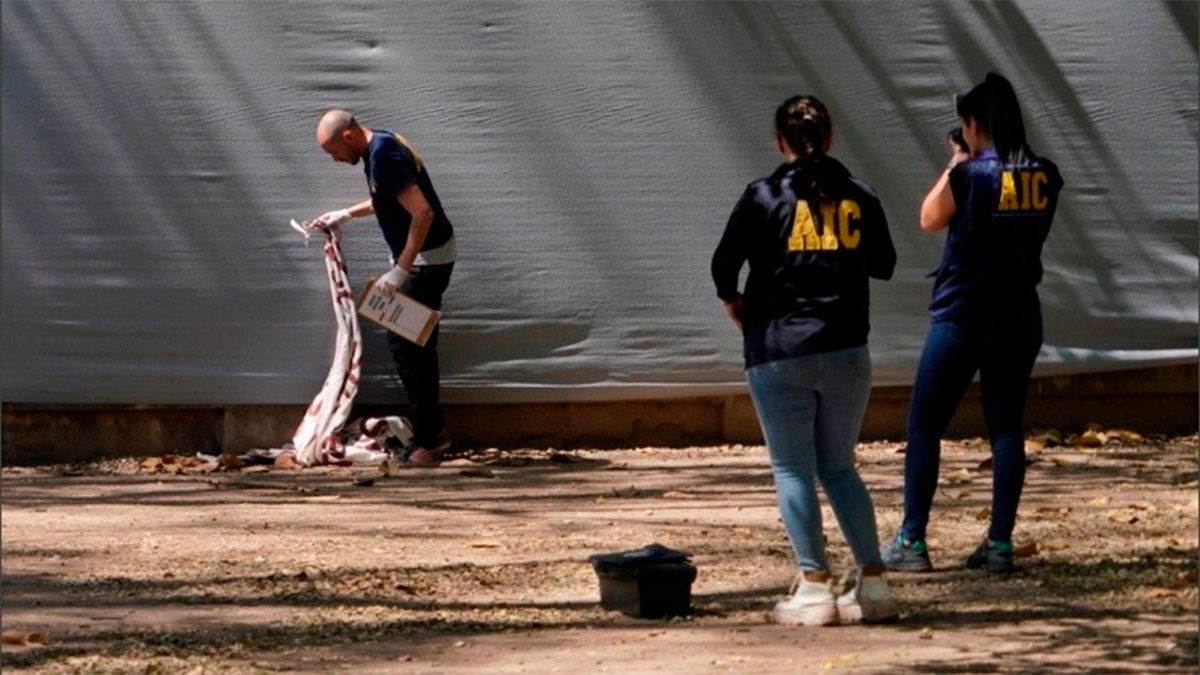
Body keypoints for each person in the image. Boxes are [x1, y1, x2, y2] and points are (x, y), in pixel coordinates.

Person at [711, 95, 898, 626]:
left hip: (778, 349)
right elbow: (884, 263)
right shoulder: (859, 194)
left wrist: (735, 302)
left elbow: (723, 264)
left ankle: (814, 586)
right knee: (839, 466)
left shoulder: (764, 195)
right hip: (847, 349)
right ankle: (874, 582)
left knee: (792, 467)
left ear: (780, 142)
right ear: (831, 139)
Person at [882, 73, 1063, 574]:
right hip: (1019, 313)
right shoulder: (1045, 175)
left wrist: (956, 163)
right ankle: (999, 544)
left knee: (924, 425)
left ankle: (912, 541)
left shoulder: (970, 175)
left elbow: (929, 218)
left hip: (963, 313)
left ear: (974, 125)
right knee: (1005, 427)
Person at [304, 109, 457, 464]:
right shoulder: (379, 147)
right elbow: (387, 197)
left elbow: (422, 213)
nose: (335, 160)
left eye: (334, 152)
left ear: (348, 136)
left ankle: (430, 440)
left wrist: (401, 271)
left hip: (426, 263)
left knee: (410, 348)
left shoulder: (384, 153)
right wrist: (345, 214)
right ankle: (430, 433)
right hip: (422, 259)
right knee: (410, 345)